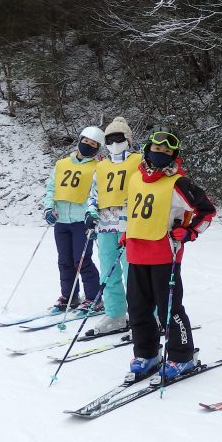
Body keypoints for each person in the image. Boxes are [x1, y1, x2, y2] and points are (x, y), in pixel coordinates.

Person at [121, 129, 216, 380]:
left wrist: (190, 231)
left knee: (169, 309)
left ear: (174, 155)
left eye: (166, 152)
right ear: (147, 150)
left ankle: (181, 356)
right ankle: (147, 353)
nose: (160, 154)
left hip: (165, 254)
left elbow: (207, 211)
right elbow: (131, 209)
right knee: (138, 308)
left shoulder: (179, 183)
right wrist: (126, 232)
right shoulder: (135, 178)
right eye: (156, 149)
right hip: (136, 253)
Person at [83, 116, 140, 335]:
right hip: (105, 226)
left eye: (119, 138)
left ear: (128, 139)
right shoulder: (102, 166)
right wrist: (90, 212)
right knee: (108, 272)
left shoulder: (139, 161)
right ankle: (115, 313)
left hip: (131, 226)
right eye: (110, 139)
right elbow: (93, 194)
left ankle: (145, 315)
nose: (115, 143)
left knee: (134, 273)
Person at [43, 126, 104, 311]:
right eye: (85, 141)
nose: (87, 145)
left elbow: (98, 194)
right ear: (79, 141)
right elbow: (51, 188)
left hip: (81, 222)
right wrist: (48, 208)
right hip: (61, 220)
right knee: (64, 261)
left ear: (97, 148)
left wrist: (93, 219)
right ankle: (69, 296)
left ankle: (94, 298)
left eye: (93, 144)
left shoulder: (98, 167)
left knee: (82, 260)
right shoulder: (62, 164)